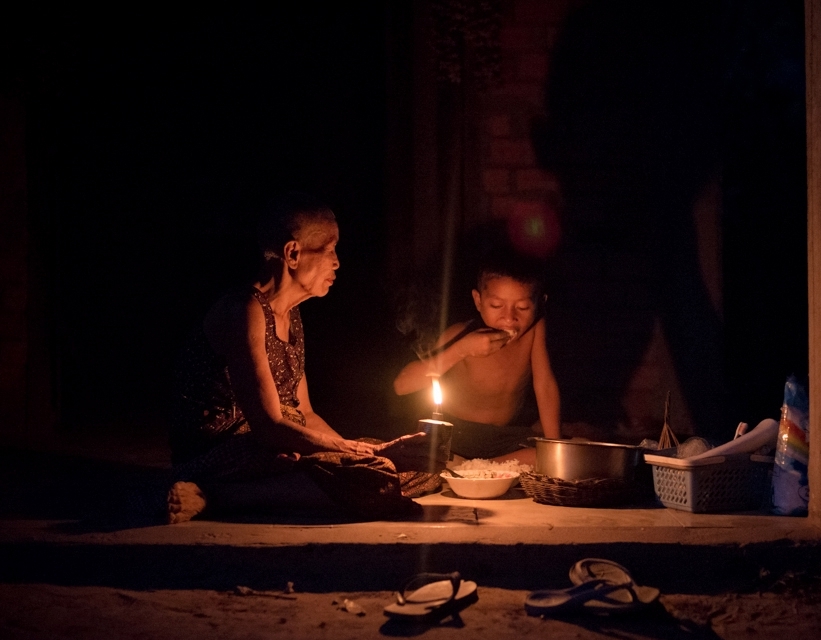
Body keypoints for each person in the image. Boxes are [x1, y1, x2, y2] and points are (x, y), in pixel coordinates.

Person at [163, 193, 439, 524]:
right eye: (329, 250)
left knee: (419, 468)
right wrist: (346, 454)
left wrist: (353, 452)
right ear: (293, 253)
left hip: (280, 444)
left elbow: (305, 413)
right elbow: (267, 426)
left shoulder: (291, 313)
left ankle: (344, 490)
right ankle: (217, 496)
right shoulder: (245, 310)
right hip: (231, 452)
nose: (337, 262)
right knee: (369, 477)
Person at [393, 251, 562, 466]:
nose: (509, 317)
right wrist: (462, 349)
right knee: (427, 455)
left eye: (523, 307)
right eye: (496, 306)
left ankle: (474, 468)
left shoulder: (534, 330)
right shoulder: (460, 334)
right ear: (478, 300)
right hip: (456, 435)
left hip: (501, 438)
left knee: (543, 456)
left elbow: (544, 384)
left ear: (539, 304)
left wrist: (554, 446)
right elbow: (402, 385)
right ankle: (471, 466)